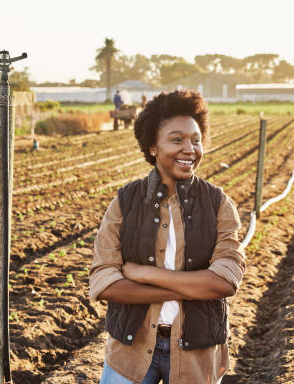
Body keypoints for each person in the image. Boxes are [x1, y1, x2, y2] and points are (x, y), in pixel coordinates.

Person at [89, 89, 245, 384]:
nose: (190, 149)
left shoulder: (217, 204)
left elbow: (224, 281)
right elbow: (104, 282)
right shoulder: (126, 202)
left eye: (196, 140)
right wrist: (191, 288)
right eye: (177, 140)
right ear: (153, 147)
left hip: (197, 354)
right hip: (131, 350)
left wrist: (143, 273)